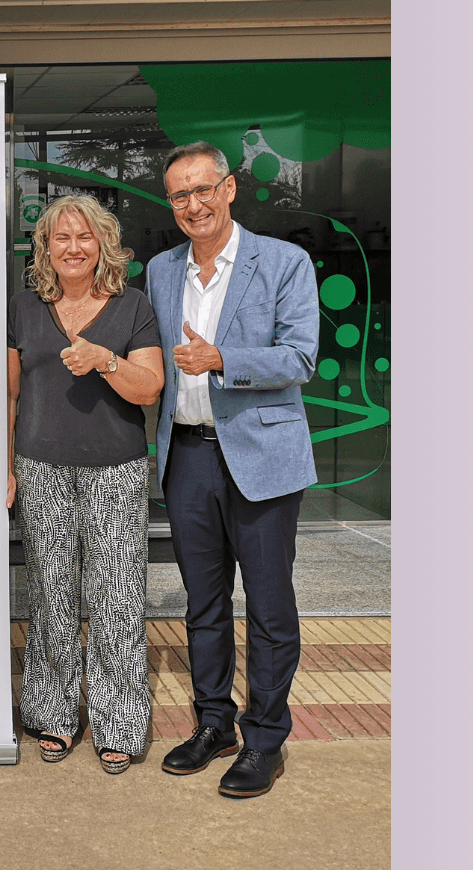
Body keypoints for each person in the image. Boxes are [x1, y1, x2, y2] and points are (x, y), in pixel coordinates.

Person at [147, 142, 319, 799]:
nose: (192, 204)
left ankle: (265, 739)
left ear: (228, 189)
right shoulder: (161, 270)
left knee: (270, 606)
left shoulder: (283, 261)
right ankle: (213, 724)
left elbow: (300, 358)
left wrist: (222, 359)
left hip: (263, 458)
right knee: (204, 605)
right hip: (188, 456)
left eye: (202, 189)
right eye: (179, 195)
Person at [7, 194, 165, 774]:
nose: (73, 248)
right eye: (61, 238)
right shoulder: (24, 307)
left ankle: (118, 721)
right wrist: (5, 467)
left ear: (103, 245)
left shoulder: (132, 306)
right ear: (45, 248)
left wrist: (105, 359)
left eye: (84, 237)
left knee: (117, 596)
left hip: (116, 469)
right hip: (40, 467)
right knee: (50, 593)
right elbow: (9, 395)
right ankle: (52, 713)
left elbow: (149, 388)